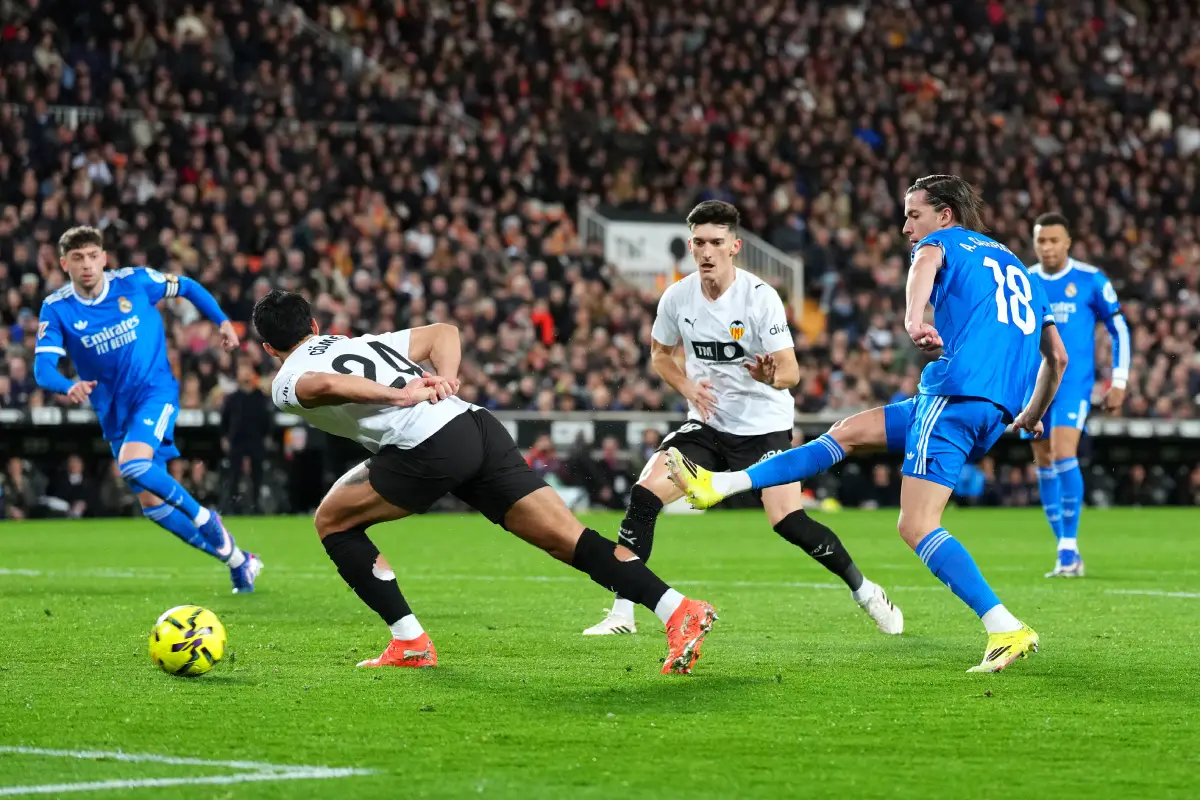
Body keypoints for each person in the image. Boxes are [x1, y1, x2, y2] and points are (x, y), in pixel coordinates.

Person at [670, 176, 1068, 673]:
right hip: (992, 406)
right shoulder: (1019, 268)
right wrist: (1031, 414)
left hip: (956, 392)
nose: (906, 228)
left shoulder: (941, 242)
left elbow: (924, 263)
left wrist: (911, 316)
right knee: (848, 432)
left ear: (944, 215)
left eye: (913, 215)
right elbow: (1058, 357)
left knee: (916, 524)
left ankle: (1003, 625)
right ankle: (721, 484)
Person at [252, 289, 717, 674]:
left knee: (332, 522)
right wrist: (446, 381)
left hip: (428, 446)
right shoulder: (358, 343)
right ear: (314, 326)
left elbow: (321, 386)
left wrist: (400, 396)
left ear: (269, 348)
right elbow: (443, 333)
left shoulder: (287, 378)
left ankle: (410, 642)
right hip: (476, 427)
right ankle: (677, 608)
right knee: (571, 541)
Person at [582, 200, 903, 638]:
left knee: (788, 521)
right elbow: (660, 354)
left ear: (735, 246)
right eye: (698, 243)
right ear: (690, 247)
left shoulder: (758, 298)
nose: (707, 252)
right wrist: (688, 387)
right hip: (708, 425)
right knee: (644, 495)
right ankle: (622, 611)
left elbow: (792, 371)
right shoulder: (677, 297)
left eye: (716, 242)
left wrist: (772, 376)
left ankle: (865, 591)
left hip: (763, 428)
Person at [33, 226, 262, 593]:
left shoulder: (135, 282)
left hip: (155, 392)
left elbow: (187, 286)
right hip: (113, 410)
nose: (87, 264)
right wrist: (67, 385)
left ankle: (206, 518)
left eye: (93, 256)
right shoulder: (57, 307)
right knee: (150, 501)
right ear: (64, 264)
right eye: (77, 258)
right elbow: (43, 369)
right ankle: (239, 560)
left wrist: (222, 321)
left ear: (104, 258)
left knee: (133, 464)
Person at [1024, 213, 1130, 577]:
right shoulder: (1025, 280)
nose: (1048, 247)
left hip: (1073, 384)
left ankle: (1067, 551)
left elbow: (1119, 328)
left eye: (1054, 240)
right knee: (1043, 460)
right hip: (1032, 386)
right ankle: (1065, 548)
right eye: (1041, 241)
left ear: (1067, 242)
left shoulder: (1090, 279)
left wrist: (1119, 380)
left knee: (1062, 452)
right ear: (1035, 244)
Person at [220, 359, 273, 513]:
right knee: (234, 474)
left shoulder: (260, 396)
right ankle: (233, 506)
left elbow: (267, 420)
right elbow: (224, 419)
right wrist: (224, 437)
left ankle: (256, 504)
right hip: (237, 440)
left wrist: (267, 435)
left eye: (247, 368)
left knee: (258, 474)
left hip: (256, 439)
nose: (245, 372)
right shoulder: (232, 398)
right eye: (242, 369)